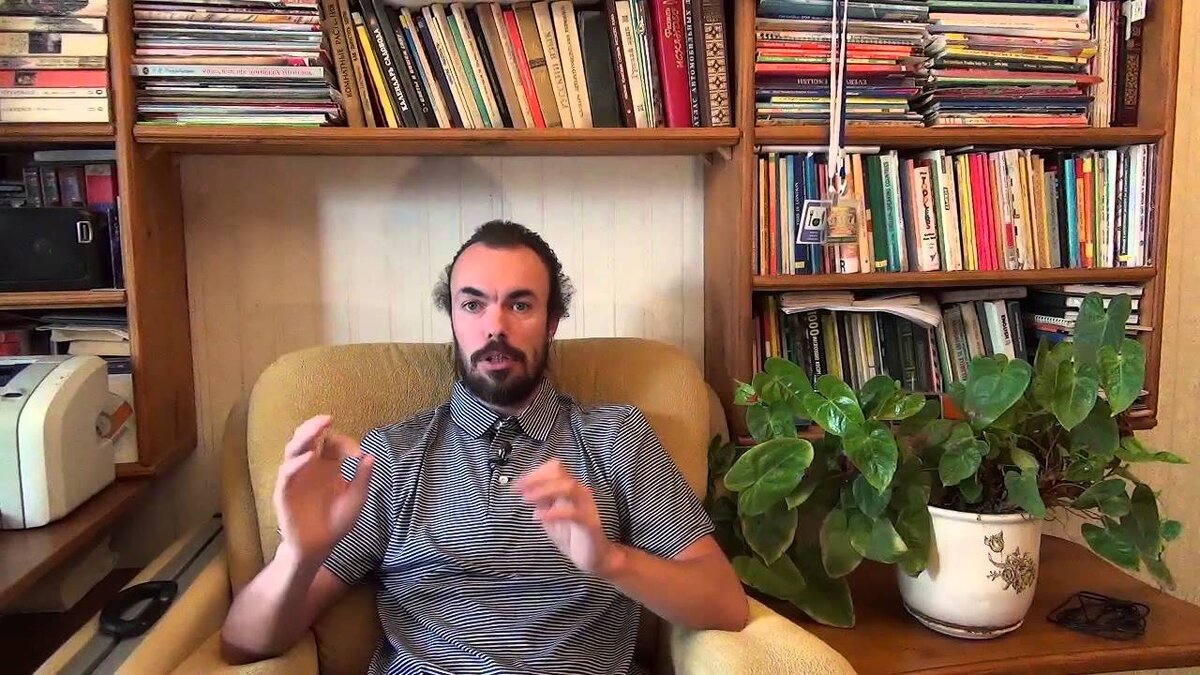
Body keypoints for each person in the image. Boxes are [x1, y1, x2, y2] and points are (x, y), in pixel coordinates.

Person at [219, 220, 749, 674]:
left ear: (552, 322)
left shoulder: (616, 438)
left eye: (520, 304)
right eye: (473, 304)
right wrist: (299, 555)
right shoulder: (389, 457)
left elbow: (725, 605)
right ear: (453, 318)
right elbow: (243, 644)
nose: (495, 326)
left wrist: (610, 561)